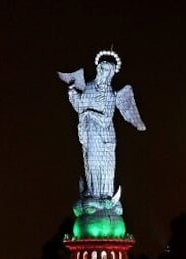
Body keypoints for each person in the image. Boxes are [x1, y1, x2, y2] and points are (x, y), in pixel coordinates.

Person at [58, 50, 146, 200]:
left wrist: (89, 113)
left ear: (110, 73)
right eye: (100, 67)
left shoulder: (110, 94)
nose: (101, 71)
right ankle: (92, 191)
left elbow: (106, 119)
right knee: (91, 162)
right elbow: (80, 107)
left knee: (104, 166)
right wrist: (72, 92)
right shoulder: (88, 87)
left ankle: (105, 195)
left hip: (104, 136)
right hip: (90, 132)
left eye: (105, 69)